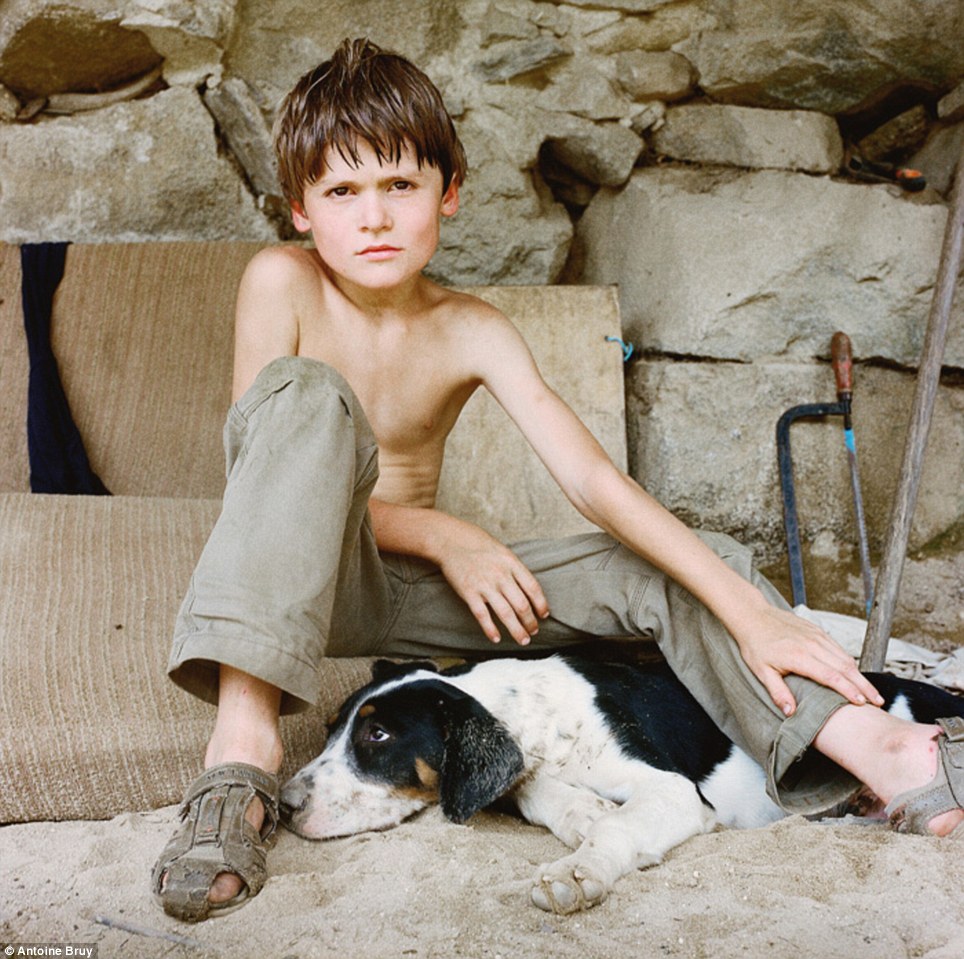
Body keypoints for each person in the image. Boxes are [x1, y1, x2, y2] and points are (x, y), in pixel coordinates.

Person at [152, 37, 963, 922]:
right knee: (307, 394)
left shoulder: (471, 326)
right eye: (342, 191)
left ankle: (880, 749)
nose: (373, 217)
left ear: (448, 194)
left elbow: (593, 482)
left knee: (698, 563)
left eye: (400, 186)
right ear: (301, 210)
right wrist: (448, 534)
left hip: (406, 602)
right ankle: (239, 748)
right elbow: (260, 480)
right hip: (299, 577)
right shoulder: (280, 281)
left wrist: (750, 608)